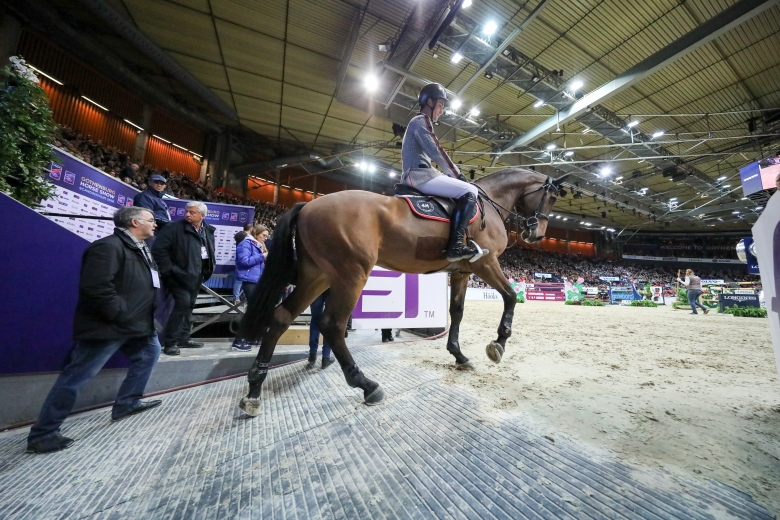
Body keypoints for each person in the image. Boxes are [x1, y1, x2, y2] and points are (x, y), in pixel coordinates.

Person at [26, 207, 163, 454]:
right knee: (77, 376)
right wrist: (120, 314)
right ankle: (43, 433)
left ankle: (127, 402)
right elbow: (97, 288)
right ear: (135, 222)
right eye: (151, 220)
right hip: (110, 326)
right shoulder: (107, 247)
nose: (155, 224)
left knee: (150, 353)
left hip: (139, 324)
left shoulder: (140, 247)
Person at [400, 82, 483, 262]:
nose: (441, 111)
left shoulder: (418, 122)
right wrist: (458, 175)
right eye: (440, 105)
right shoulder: (421, 121)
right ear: (429, 103)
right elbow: (436, 152)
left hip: (418, 174)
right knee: (471, 191)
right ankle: (456, 246)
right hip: (419, 176)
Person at [152, 201, 216, 356]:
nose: (187, 214)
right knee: (182, 305)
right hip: (177, 276)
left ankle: (184, 338)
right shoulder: (173, 228)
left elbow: (208, 250)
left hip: (197, 276)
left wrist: (207, 270)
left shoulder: (207, 229)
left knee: (190, 306)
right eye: (187, 211)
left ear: (202, 215)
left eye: (192, 212)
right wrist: (170, 270)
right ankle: (170, 343)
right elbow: (159, 250)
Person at [231, 225, 270, 351]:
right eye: (263, 235)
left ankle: (248, 337)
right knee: (252, 311)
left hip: (257, 281)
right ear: (256, 233)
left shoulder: (257, 245)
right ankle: (238, 341)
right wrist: (262, 256)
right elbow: (244, 261)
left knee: (254, 311)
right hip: (249, 281)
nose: (265, 238)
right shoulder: (246, 244)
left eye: (267, 236)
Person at [307, 290, 335, 369]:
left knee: (315, 319)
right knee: (329, 320)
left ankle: (312, 356)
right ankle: (326, 357)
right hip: (331, 286)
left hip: (317, 285)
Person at [232, 223, 255, 305]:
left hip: (241, 260)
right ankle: (236, 299)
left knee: (240, 281)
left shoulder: (240, 235)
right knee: (239, 281)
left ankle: (238, 298)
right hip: (244, 261)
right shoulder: (246, 237)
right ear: (251, 228)